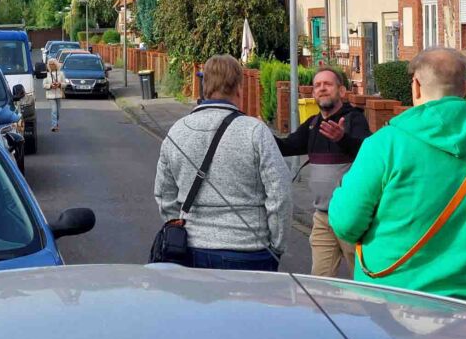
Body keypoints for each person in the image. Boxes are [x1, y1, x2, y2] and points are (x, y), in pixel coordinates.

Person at [329, 47, 466, 305]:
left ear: (416, 86)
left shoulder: (385, 145)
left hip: (393, 301)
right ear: (464, 88)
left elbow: (346, 223)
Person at [154, 54, 292, 271]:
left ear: (204, 85)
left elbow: (164, 194)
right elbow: (280, 193)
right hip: (249, 251)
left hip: (190, 250)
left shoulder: (177, 131)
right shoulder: (255, 131)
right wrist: (276, 245)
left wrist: (176, 226)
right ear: (239, 88)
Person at [274, 67, 370, 277]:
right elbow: (286, 146)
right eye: (317, 85)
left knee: (364, 279)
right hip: (322, 218)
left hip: (351, 216)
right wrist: (257, 132)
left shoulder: (354, 119)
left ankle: (373, 310)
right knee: (319, 280)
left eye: (327, 84)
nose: (321, 89)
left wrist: (342, 139)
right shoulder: (313, 125)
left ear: (342, 91)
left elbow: (368, 152)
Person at [46, 58, 63, 132]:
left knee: (58, 112)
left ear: (56, 65)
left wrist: (59, 84)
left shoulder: (61, 73)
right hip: (50, 95)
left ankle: (56, 123)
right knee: (54, 110)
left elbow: (65, 83)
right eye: (50, 64)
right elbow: (44, 85)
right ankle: (54, 126)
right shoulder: (46, 74)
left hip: (58, 94)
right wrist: (50, 85)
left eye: (53, 64)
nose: (51, 65)